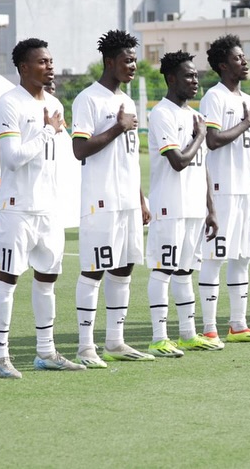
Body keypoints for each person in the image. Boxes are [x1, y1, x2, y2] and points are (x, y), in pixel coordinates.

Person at [0, 38, 85, 379]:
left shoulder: (55, 103)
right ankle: (0, 357)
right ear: (24, 67)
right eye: (42, 61)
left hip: (48, 211)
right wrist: (47, 130)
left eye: (51, 60)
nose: (50, 66)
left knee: (47, 280)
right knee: (8, 279)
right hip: (17, 209)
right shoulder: (8, 104)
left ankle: (46, 352)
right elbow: (12, 159)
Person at [69, 30, 156, 367]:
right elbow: (79, 149)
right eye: (127, 60)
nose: (133, 66)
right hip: (101, 200)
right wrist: (118, 127)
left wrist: (141, 198)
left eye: (134, 60)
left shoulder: (128, 100)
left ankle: (115, 342)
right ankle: (85, 347)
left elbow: (128, 158)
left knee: (125, 267)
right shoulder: (88, 99)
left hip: (128, 202)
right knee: (95, 269)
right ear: (109, 62)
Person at [198, 35, 250, 344]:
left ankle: (238, 325)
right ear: (223, 65)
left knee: (242, 257)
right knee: (214, 257)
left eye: (243, 57)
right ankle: (209, 327)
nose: (244, 62)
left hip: (246, 192)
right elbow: (212, 140)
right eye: (238, 58)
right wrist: (246, 123)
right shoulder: (214, 97)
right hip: (222, 190)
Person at [145, 50, 219, 357]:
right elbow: (178, 162)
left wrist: (210, 209)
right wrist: (201, 135)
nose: (195, 81)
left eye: (196, 76)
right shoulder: (162, 114)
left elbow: (201, 167)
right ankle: (159, 337)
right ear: (171, 78)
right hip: (169, 205)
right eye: (189, 76)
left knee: (186, 270)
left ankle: (188, 334)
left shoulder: (193, 115)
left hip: (193, 207)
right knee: (163, 269)